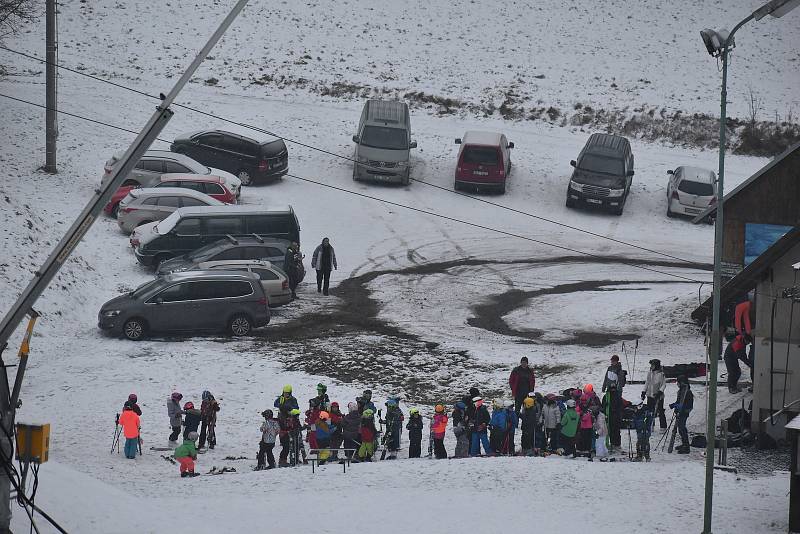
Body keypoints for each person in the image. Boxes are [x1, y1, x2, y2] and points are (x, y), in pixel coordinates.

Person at [670, 375, 694, 454]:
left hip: (684, 413)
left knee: (682, 428)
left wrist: (681, 408)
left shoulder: (687, 392)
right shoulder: (681, 391)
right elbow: (679, 401)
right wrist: (674, 405)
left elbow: (689, 405)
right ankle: (684, 444)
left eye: (678, 382)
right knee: (680, 429)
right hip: (680, 412)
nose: (677, 384)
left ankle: (686, 446)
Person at [642, 359, 667, 428]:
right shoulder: (650, 372)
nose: (652, 366)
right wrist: (644, 391)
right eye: (651, 365)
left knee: (660, 411)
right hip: (650, 395)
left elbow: (663, 384)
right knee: (650, 411)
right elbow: (647, 382)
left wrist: (660, 392)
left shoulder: (661, 374)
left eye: (653, 365)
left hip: (658, 396)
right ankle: (651, 425)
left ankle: (663, 426)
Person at [602, 371, 623, 450]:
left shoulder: (617, 396)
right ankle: (611, 443)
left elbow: (620, 406)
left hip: (616, 416)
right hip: (609, 416)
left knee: (616, 431)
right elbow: (603, 406)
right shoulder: (606, 396)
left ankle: (616, 444)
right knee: (610, 430)